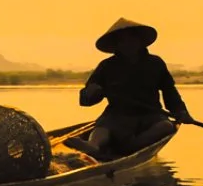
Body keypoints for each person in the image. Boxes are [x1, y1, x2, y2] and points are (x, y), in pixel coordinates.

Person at [71, 18, 193, 159]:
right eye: (122, 41)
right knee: (102, 128)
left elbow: (170, 92)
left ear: (140, 41)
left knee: (166, 126)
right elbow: (86, 100)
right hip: (117, 115)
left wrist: (181, 111)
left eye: (131, 39)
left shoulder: (155, 63)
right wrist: (91, 92)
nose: (128, 44)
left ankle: (133, 147)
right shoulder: (107, 66)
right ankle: (93, 145)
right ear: (117, 45)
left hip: (150, 114)